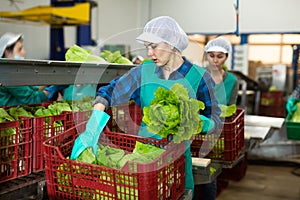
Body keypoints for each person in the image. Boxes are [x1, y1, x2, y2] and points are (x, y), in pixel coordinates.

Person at [70, 16, 222, 197]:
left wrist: (195, 121)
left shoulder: (199, 77)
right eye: (147, 47)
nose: (149, 53)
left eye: (154, 46)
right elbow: (109, 92)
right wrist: (93, 126)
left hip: (178, 160)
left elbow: (216, 121)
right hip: (142, 157)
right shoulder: (143, 72)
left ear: (172, 44)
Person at [0, 32, 66, 106]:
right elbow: (31, 99)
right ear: (7, 51)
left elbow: (32, 89)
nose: (24, 52)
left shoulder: (10, 70)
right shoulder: (8, 74)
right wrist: (51, 90)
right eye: (19, 49)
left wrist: (50, 81)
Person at [204, 36, 238, 106]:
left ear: (226, 57)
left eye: (220, 57)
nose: (215, 60)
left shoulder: (232, 80)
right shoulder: (198, 75)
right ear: (207, 56)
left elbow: (231, 108)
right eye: (211, 56)